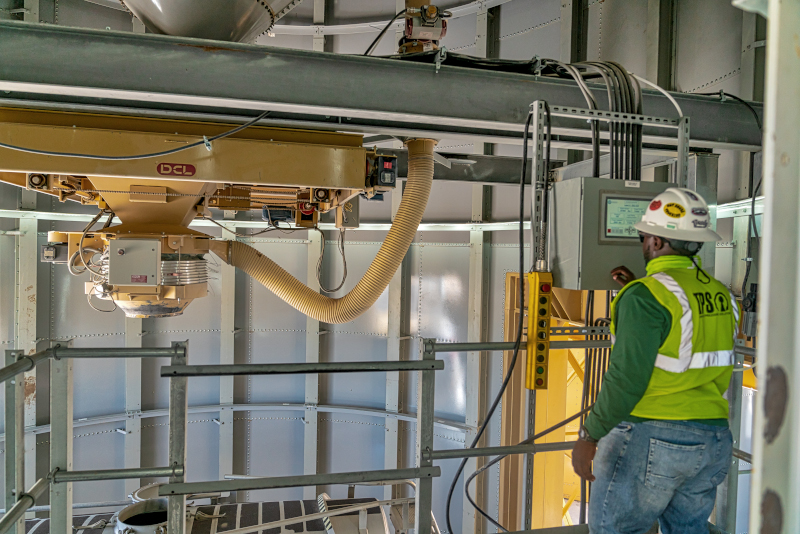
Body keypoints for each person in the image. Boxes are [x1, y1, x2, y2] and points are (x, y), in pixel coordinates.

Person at [571, 188, 740, 534]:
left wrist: (589, 435)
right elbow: (684, 333)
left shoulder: (646, 298)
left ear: (659, 243)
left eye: (644, 236)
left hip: (654, 436)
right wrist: (639, 289)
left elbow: (626, 378)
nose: (643, 243)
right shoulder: (720, 293)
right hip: (712, 440)